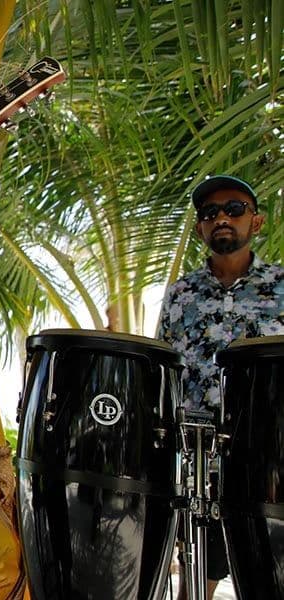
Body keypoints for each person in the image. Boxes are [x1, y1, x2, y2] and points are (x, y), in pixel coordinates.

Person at [158, 174, 284, 599]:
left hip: (269, 456)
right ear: (200, 230)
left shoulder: (282, 286)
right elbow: (165, 368)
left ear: (257, 221)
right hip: (199, 458)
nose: (222, 219)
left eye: (234, 209)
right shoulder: (180, 294)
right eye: (210, 214)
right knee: (196, 579)